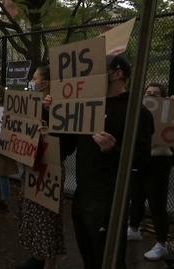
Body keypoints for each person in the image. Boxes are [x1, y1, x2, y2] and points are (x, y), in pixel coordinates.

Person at [69, 55, 154, 269]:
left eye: (101, 70)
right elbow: (68, 144)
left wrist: (113, 150)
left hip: (110, 198)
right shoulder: (88, 106)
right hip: (82, 195)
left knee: (108, 258)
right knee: (88, 255)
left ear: (118, 73)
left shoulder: (137, 112)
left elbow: (143, 159)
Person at [17, 66, 67, 269]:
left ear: (45, 83)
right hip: (32, 166)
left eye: (34, 78)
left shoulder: (59, 107)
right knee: (33, 215)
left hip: (50, 168)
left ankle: (49, 262)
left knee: (47, 217)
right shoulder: (32, 104)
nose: (31, 80)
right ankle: (38, 256)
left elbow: (65, 141)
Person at [127, 82, 171, 261]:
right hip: (140, 158)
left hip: (159, 160)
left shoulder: (168, 111)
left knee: (156, 203)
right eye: (148, 92)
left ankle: (162, 244)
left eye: (156, 93)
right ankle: (134, 229)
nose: (151, 95)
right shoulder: (138, 110)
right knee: (136, 196)